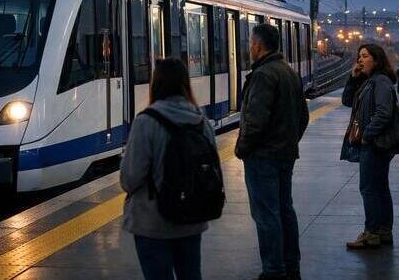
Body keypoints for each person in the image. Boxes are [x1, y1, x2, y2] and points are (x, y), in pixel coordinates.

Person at [121, 57, 217, 280]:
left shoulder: (146, 122)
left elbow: (130, 178)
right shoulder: (201, 121)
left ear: (155, 84)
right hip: (191, 218)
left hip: (153, 222)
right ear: (185, 83)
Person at [235, 23, 309, 280]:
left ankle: (273, 270)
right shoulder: (289, 72)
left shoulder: (263, 75)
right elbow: (303, 116)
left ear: (258, 45)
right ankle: (291, 266)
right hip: (284, 155)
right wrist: (289, 142)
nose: (249, 48)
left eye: (250, 43)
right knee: (285, 210)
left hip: (262, 157)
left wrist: (242, 149)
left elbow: (255, 121)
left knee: (266, 215)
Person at [340, 43, 397, 250]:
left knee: (369, 188)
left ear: (377, 59)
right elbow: (347, 101)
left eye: (364, 56)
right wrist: (353, 78)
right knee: (379, 187)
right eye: (359, 56)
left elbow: (384, 113)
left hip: (375, 144)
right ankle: (383, 231)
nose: (360, 60)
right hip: (374, 143)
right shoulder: (369, 81)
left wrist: (366, 135)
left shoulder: (380, 82)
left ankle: (371, 233)